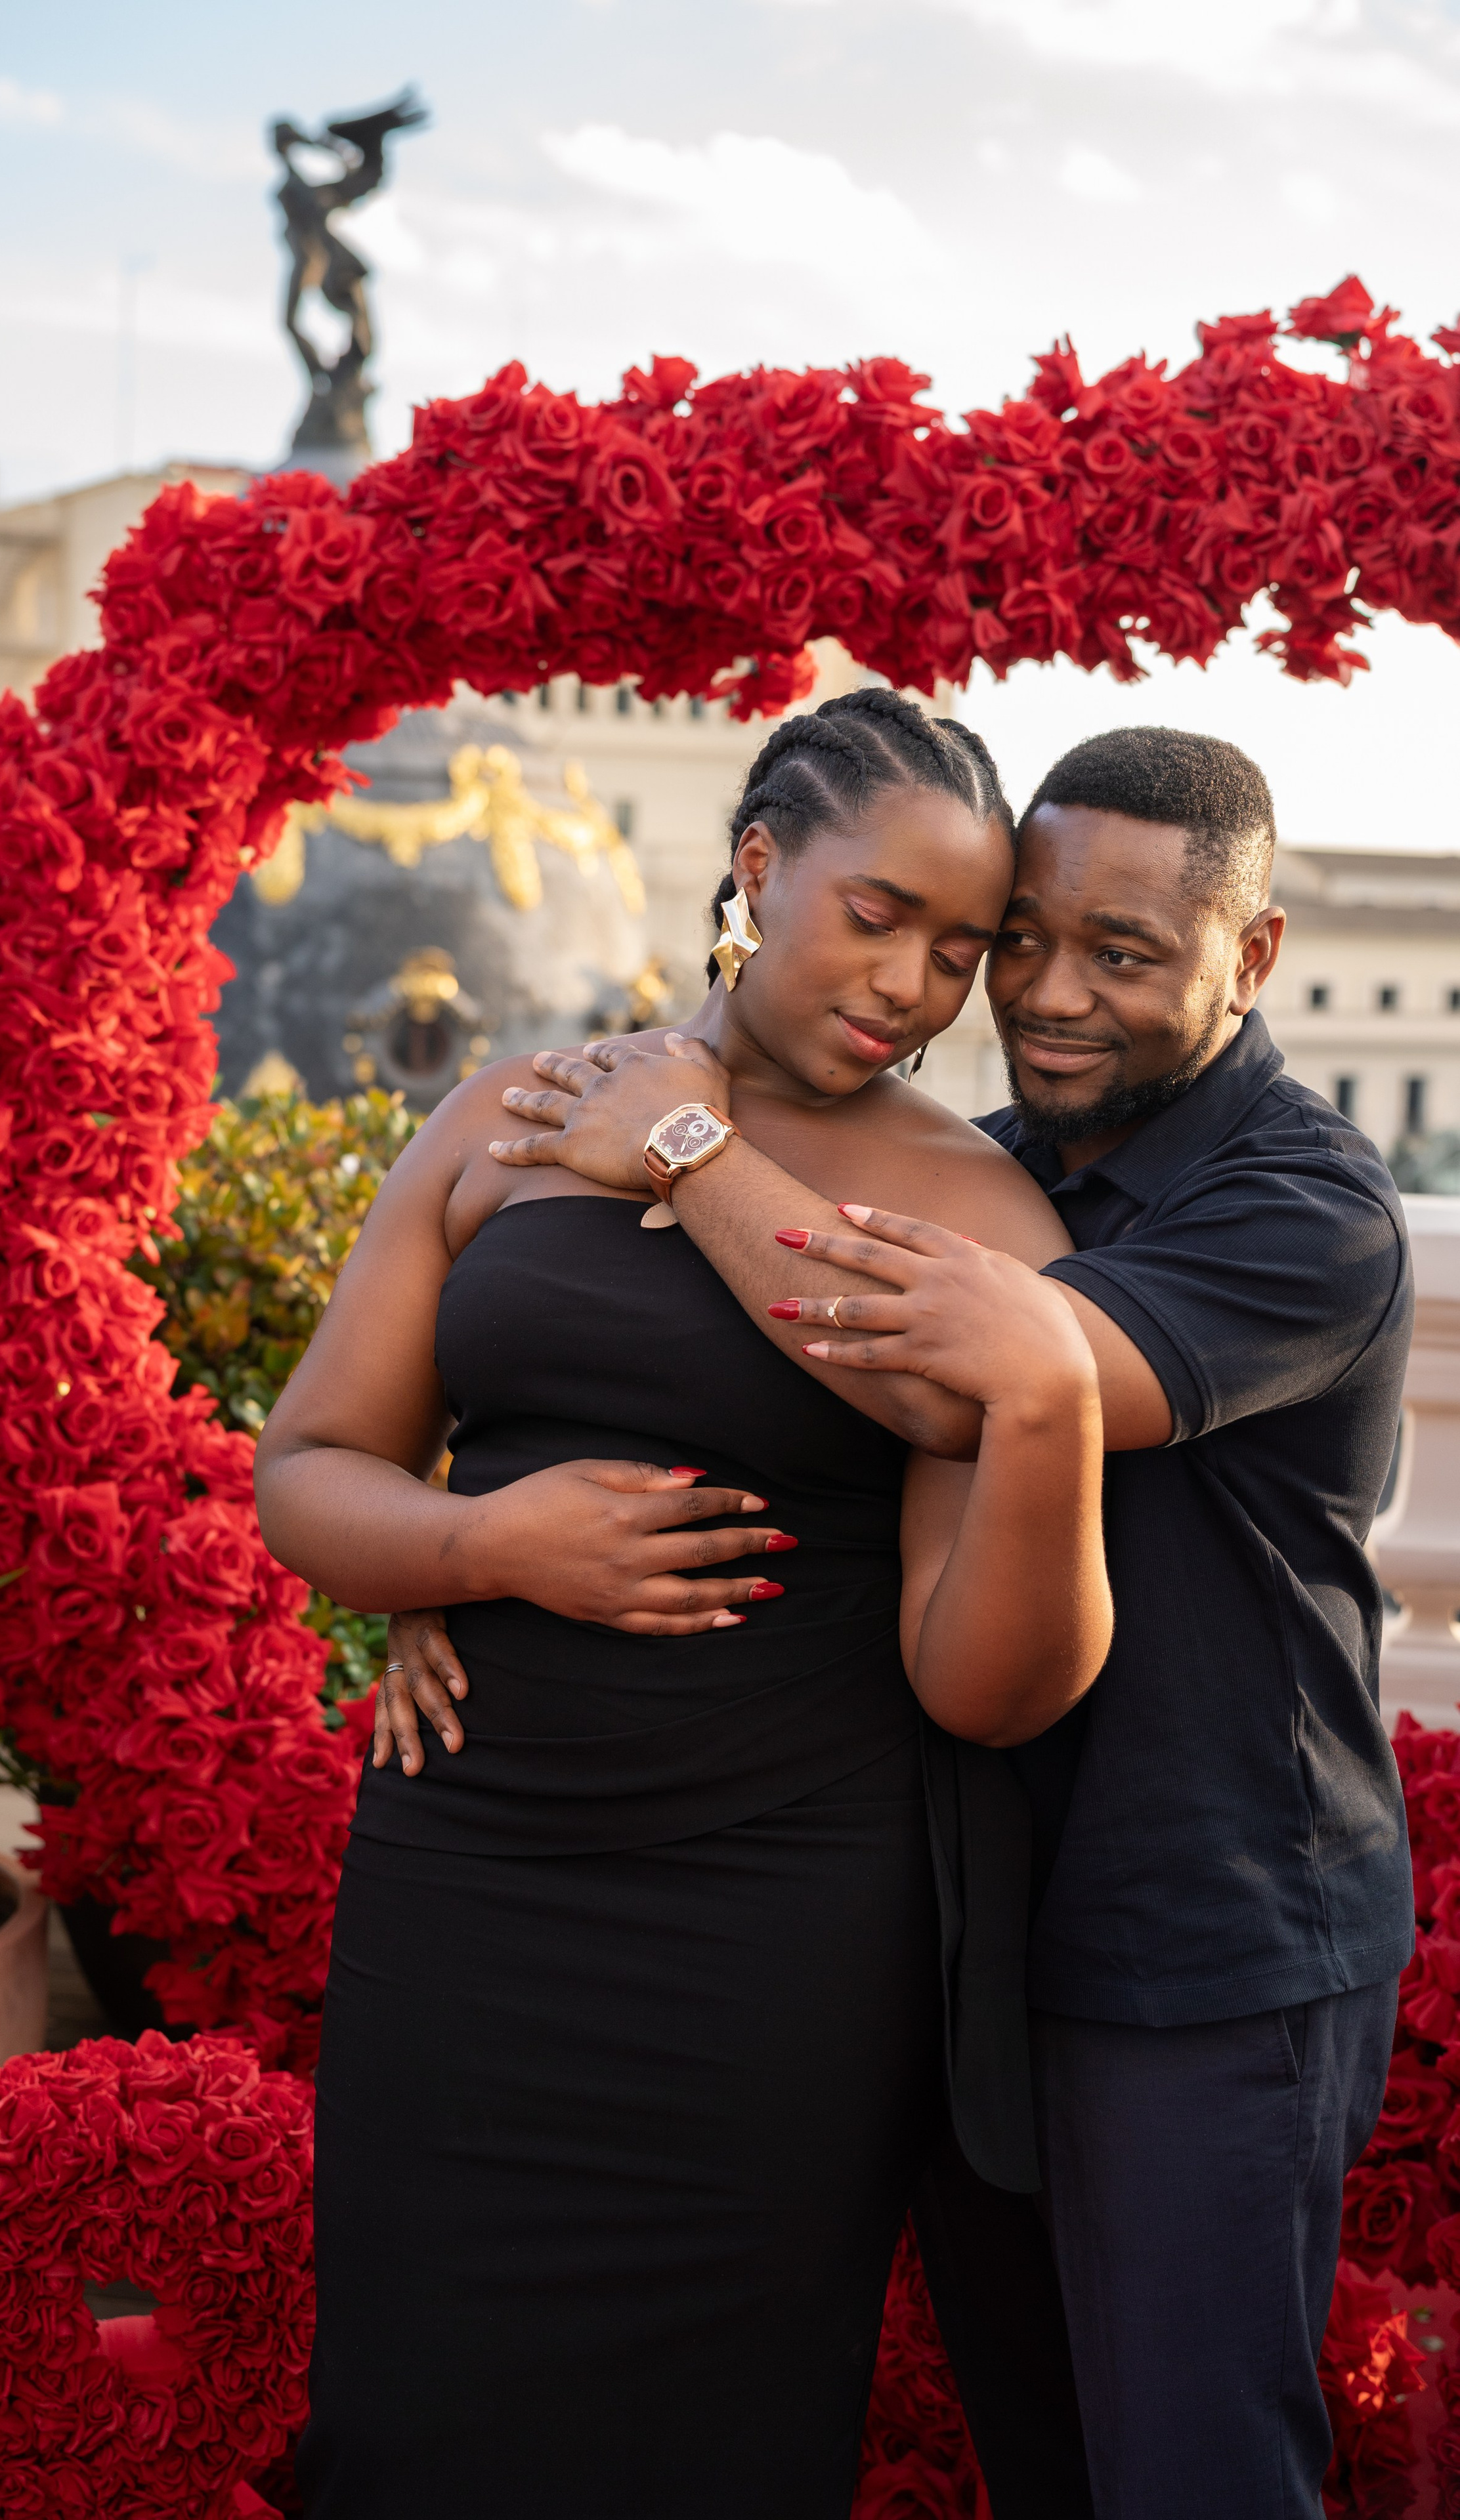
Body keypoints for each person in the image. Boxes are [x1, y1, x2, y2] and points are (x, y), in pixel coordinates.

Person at [412, 723, 1414, 2519]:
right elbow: (750, 1410)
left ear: (1251, 959)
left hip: (1201, 1925)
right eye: (1012, 940)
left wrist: (692, 1143)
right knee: (1037, 2453)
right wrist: (470, 1552)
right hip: (952, 1911)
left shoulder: (1308, 1206)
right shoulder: (990, 1158)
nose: (1039, 992)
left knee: (1195, 2472)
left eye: (1123, 954)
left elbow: (986, 1369)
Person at [255, 690, 1115, 2520]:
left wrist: (692, 1159)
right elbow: (315, 1464)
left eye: (961, 950)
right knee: (415, 2393)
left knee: (718, 2432)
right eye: (875, 914)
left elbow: (982, 1606)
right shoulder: (511, 1110)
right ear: (755, 866)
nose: (913, 983)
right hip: (475, 1878)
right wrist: (480, 1550)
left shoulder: (986, 1209)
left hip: (784, 1907)